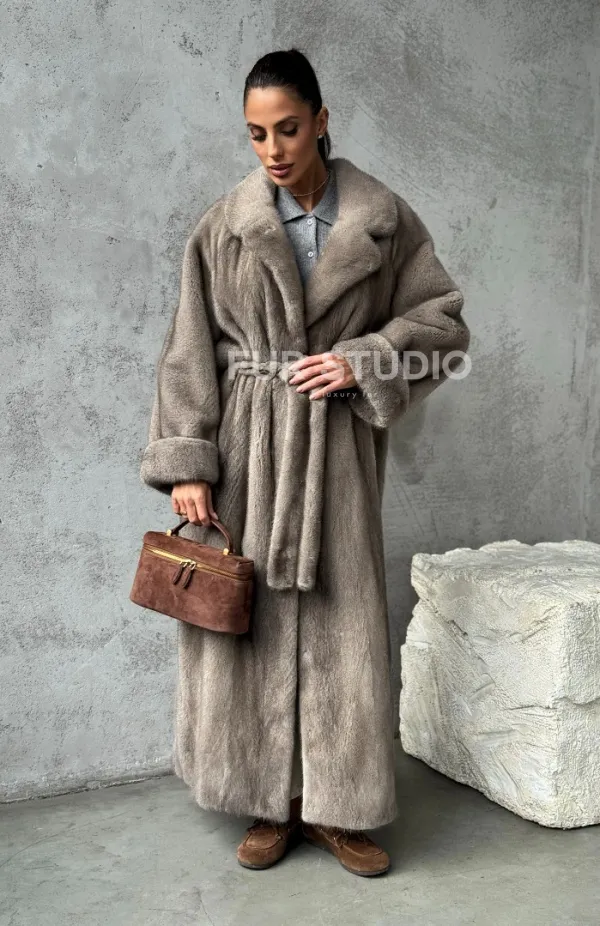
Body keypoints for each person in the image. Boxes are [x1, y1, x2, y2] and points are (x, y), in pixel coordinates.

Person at [140, 47, 470, 877]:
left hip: (335, 454)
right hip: (247, 449)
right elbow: (188, 350)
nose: (273, 150)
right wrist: (189, 460)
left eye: (287, 129)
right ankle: (268, 802)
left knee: (338, 621)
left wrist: (363, 361)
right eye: (256, 134)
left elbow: (443, 325)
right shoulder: (224, 227)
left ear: (321, 120)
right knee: (248, 623)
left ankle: (337, 810)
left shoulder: (383, 222)